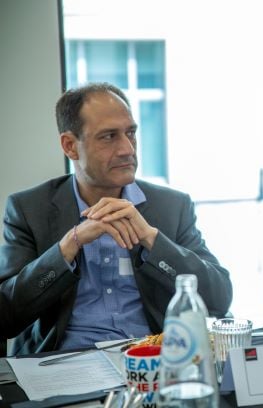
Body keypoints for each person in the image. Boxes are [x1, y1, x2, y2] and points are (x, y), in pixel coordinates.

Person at [0, 83, 232, 355]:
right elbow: (6, 316)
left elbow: (218, 300)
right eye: (109, 136)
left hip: (151, 360)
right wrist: (68, 247)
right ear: (70, 146)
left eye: (130, 133)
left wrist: (152, 240)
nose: (127, 149)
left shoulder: (171, 206)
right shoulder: (29, 209)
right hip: (62, 361)